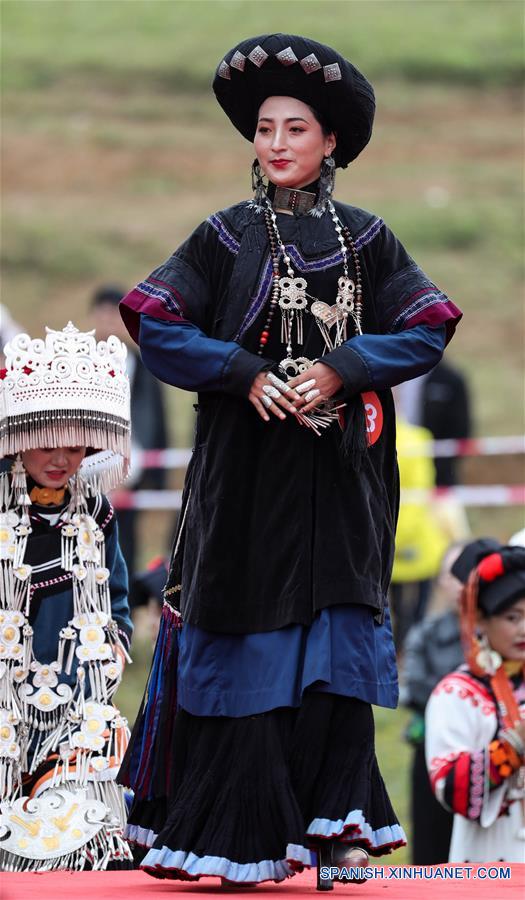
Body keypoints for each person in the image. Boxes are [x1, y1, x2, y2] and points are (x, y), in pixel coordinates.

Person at [117, 34, 462, 889]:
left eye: (295, 128)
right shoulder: (224, 237)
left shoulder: (370, 240)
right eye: (265, 128)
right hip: (245, 482)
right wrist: (242, 376)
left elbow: (427, 323)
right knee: (251, 643)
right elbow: (152, 317)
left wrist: (342, 367)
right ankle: (243, 832)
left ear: (330, 142)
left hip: (342, 481)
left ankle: (338, 828)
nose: (275, 143)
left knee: (335, 639)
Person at [0, 322, 133, 870]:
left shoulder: (96, 512)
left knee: (85, 832)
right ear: (21, 437)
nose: (61, 459)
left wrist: (116, 642)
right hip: (5, 689)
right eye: (48, 444)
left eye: (75, 446)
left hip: (79, 689)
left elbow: (116, 591)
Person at [425, 540, 525, 862]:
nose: (523, 628)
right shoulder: (456, 694)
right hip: (490, 858)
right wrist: (511, 748)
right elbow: (450, 788)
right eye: (512, 617)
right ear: (480, 620)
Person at [91, 284, 169, 581]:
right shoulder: (75, 362)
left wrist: (147, 474)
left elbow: (153, 419)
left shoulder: (141, 362)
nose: (109, 320)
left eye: (116, 313)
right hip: (81, 468)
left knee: (124, 543)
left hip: (129, 468)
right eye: (104, 312)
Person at [401, 542, 466, 863]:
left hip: (483, 760)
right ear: (441, 581)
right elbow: (414, 689)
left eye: (467, 574)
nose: (461, 584)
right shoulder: (425, 634)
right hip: (431, 755)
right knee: (430, 851)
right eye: (452, 575)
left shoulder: (499, 635)